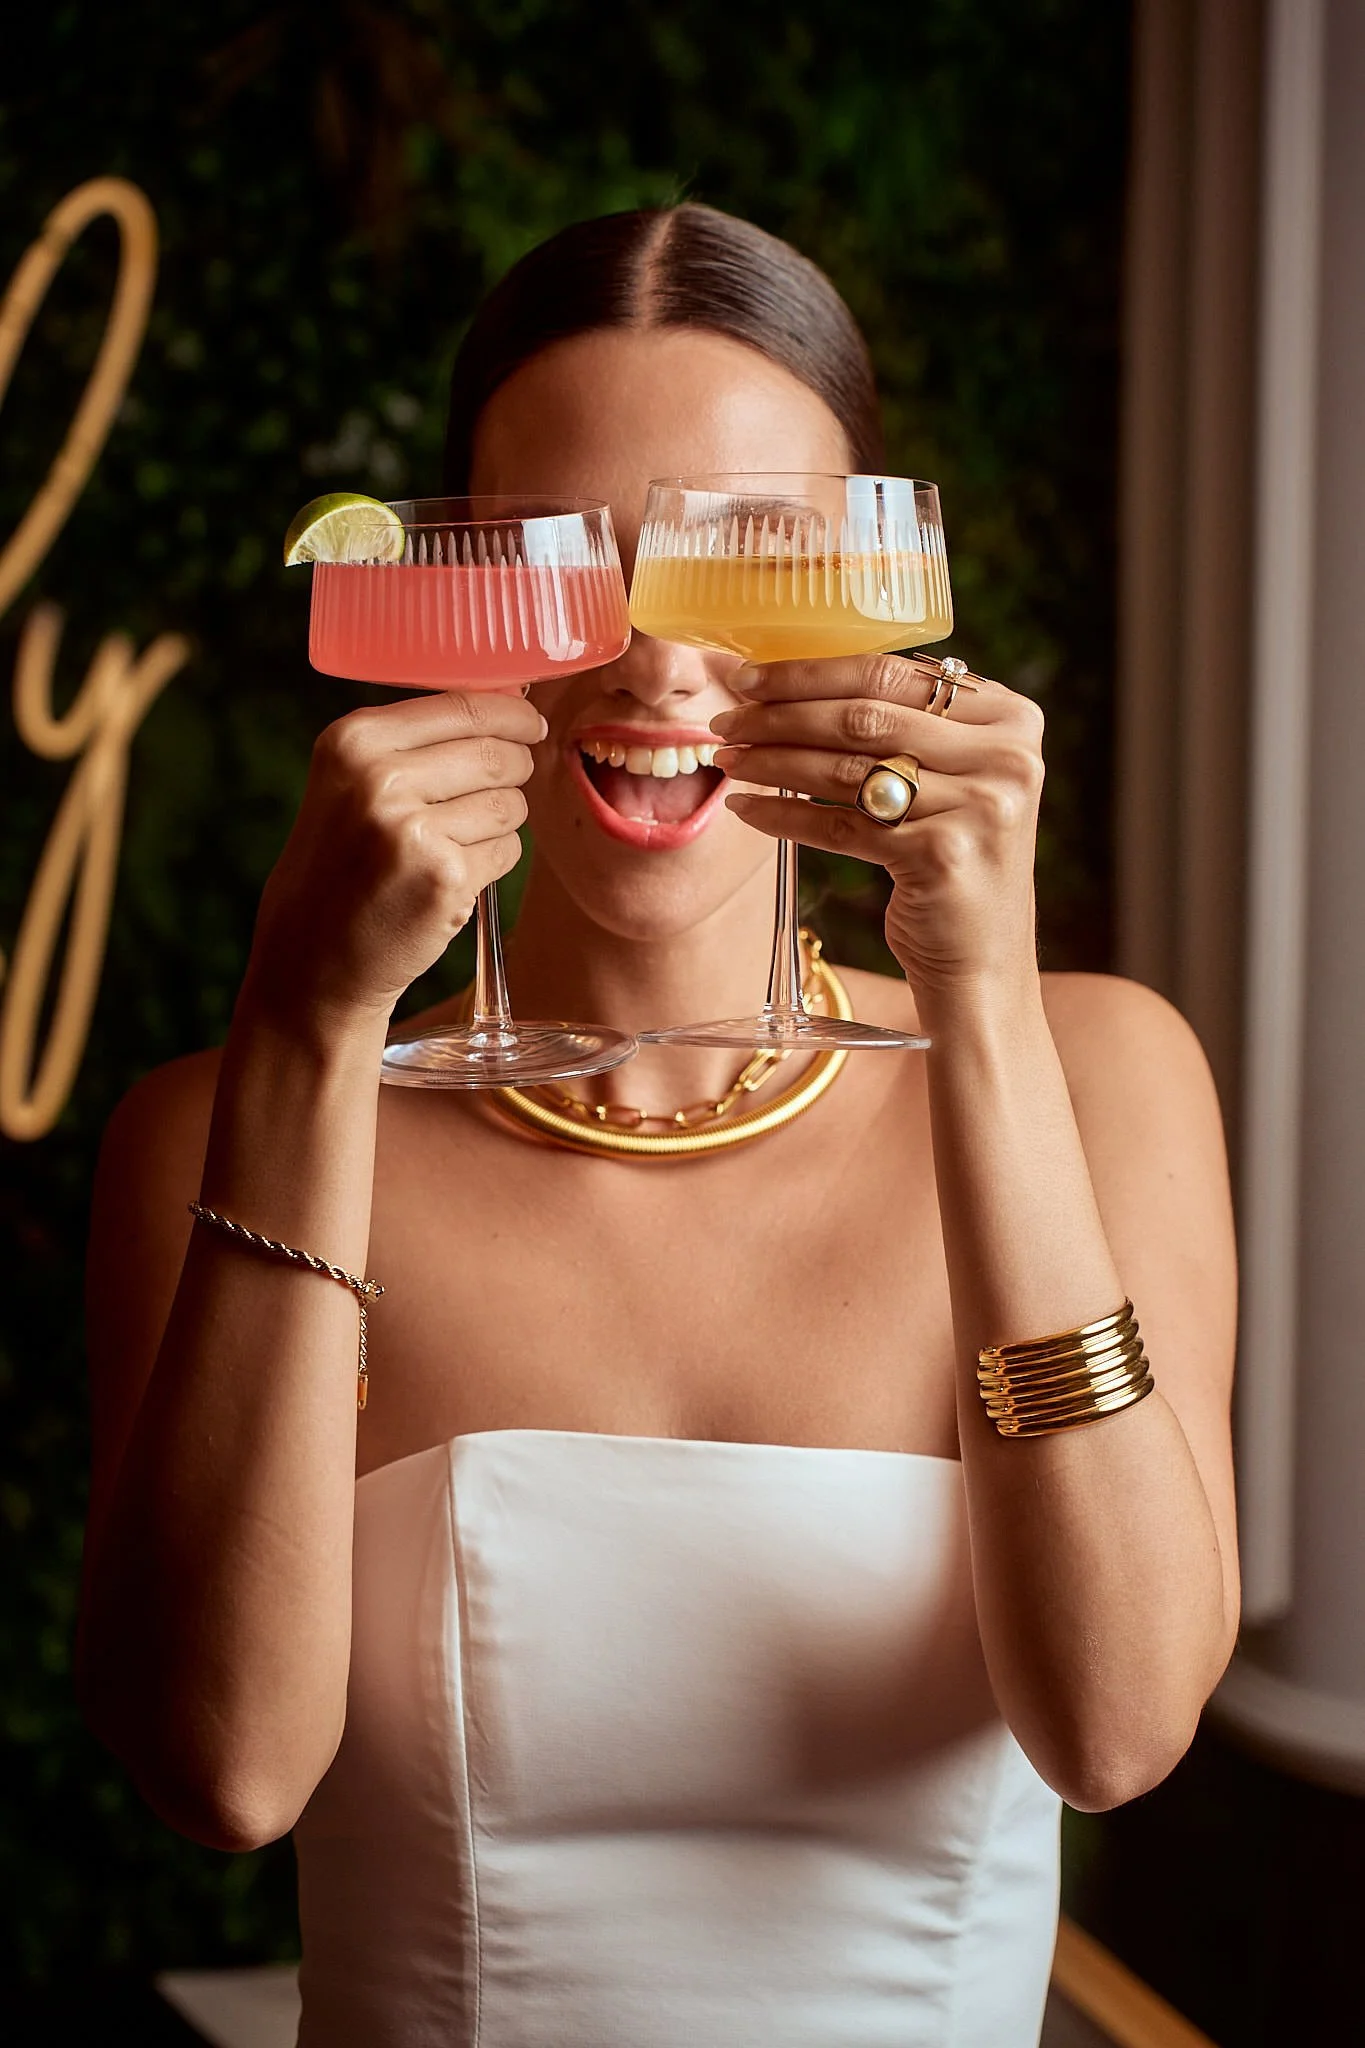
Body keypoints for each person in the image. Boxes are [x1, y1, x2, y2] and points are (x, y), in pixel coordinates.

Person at [77, 204, 1238, 2047]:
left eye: (750, 564)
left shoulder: (1105, 1073)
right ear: (452, 604)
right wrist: (310, 1030)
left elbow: (1118, 1726)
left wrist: (980, 997)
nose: (657, 672)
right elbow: (222, 1770)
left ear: (875, 595)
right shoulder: (218, 1125)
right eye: (567, 569)